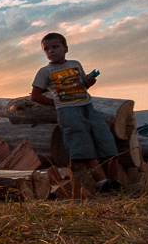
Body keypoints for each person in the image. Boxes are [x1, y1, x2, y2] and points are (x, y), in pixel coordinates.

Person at [30, 32, 118, 192]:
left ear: (66, 48)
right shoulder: (44, 72)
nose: (51, 51)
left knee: (107, 143)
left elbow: (81, 86)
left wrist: (88, 83)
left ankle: (116, 183)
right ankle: (103, 183)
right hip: (68, 113)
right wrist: (57, 103)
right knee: (84, 147)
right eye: (46, 49)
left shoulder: (75, 64)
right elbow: (35, 96)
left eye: (55, 47)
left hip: (88, 108)